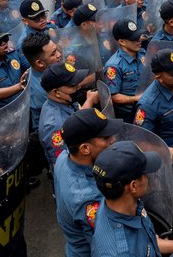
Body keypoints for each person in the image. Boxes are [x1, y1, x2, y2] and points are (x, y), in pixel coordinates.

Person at [53, 108, 122, 257]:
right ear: (85, 148)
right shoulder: (86, 197)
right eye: (106, 137)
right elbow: (110, 242)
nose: (113, 140)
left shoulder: (65, 157)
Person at [39, 62, 98, 168]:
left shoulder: (66, 100)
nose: (79, 86)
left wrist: (90, 100)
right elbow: (62, 163)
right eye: (73, 85)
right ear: (56, 92)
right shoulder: (55, 125)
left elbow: (76, 117)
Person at [104, 20, 146, 123]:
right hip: (129, 114)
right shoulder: (114, 66)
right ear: (122, 41)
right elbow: (114, 96)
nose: (139, 40)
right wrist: (135, 98)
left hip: (147, 106)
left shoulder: (142, 53)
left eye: (138, 36)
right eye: (134, 39)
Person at [21, 32, 62, 131]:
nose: (59, 55)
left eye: (56, 50)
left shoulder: (49, 70)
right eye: (53, 54)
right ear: (39, 63)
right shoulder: (41, 88)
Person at [0, 23, 28, 116]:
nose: (4, 43)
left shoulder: (12, 54)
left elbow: (31, 65)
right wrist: (19, 87)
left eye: (5, 39)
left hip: (21, 109)